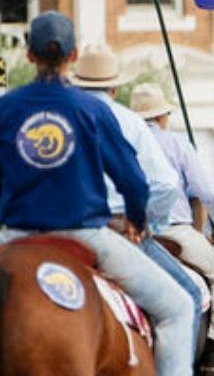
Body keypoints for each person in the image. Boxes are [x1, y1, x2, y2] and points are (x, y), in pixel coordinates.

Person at [0, 12, 214, 376]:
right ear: (71, 56)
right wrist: (137, 219)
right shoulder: (92, 110)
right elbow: (133, 180)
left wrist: (10, 214)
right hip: (83, 234)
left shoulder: (5, 109)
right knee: (178, 306)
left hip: (17, 235)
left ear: (28, 54)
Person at [69, 45, 206, 325]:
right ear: (114, 89)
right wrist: (146, 221)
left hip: (58, 229)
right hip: (118, 230)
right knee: (188, 297)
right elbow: (165, 185)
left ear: (77, 85)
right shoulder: (128, 121)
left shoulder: (58, 119)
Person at [130, 82, 214, 374]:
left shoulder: (124, 140)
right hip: (176, 232)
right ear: (162, 116)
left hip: (132, 234)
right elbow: (208, 193)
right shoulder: (177, 143)